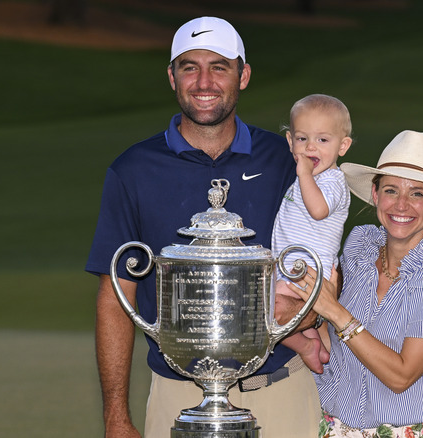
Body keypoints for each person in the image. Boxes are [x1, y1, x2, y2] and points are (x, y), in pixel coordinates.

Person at [85, 16, 321, 438]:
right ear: (172, 77)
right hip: (178, 393)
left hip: (280, 389)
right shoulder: (134, 170)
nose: (203, 81)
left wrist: (294, 324)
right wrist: (116, 418)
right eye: (189, 67)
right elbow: (116, 294)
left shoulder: (286, 159)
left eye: (219, 66)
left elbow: (324, 257)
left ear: (243, 75)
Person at [288, 130, 423, 437]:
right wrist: (311, 313)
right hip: (329, 428)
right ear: (375, 195)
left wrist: (334, 311)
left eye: (417, 193)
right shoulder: (358, 252)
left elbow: (400, 376)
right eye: (391, 190)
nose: (401, 205)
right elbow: (338, 347)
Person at [273, 94, 352, 374]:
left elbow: (318, 210)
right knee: (266, 311)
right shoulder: (304, 180)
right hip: (290, 268)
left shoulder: (334, 180)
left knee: (262, 308)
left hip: (306, 272)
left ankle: (310, 345)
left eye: (322, 140)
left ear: (343, 146)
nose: (310, 148)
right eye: (302, 139)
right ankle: (310, 344)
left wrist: (304, 174)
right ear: (290, 142)